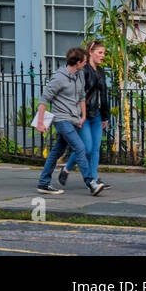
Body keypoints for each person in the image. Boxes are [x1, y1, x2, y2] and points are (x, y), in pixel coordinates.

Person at [37, 47, 107, 196]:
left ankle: (43, 183)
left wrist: (82, 116)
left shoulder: (80, 74)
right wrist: (40, 123)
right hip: (61, 119)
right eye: (85, 61)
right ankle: (91, 183)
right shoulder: (59, 78)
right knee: (80, 148)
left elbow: (82, 96)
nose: (86, 64)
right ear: (78, 62)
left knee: (56, 152)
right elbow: (44, 100)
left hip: (74, 119)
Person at [59, 39, 111, 188]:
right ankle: (67, 168)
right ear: (91, 53)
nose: (103, 56)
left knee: (95, 149)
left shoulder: (101, 71)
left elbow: (104, 95)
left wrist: (105, 116)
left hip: (96, 114)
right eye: (100, 53)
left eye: (104, 53)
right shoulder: (84, 70)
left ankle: (94, 180)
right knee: (86, 148)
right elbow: (79, 93)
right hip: (84, 115)